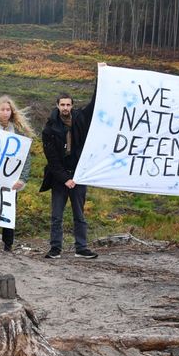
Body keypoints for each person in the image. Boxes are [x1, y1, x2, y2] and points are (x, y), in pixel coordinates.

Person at [40, 70, 103, 260]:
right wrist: (65, 179)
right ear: (57, 105)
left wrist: (101, 76)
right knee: (56, 216)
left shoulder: (80, 118)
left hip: (79, 174)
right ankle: (55, 249)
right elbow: (52, 159)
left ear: (72, 105)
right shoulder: (49, 128)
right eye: (62, 105)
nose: (65, 107)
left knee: (79, 215)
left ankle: (81, 248)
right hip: (59, 178)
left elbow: (95, 103)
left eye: (68, 104)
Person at [0, 95, 35, 251]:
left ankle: (8, 244)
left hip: (11, 179)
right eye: (3, 109)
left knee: (8, 210)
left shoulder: (19, 132)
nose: (6, 112)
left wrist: (23, 179)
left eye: (8, 109)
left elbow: (26, 158)